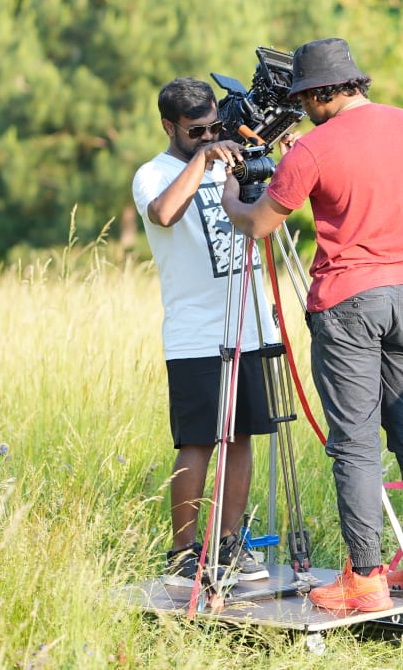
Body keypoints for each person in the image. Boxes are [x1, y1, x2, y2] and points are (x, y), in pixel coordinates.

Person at [222, 37, 403, 614]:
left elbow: (258, 225)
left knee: (354, 441)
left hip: (348, 300)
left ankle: (365, 576)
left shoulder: (313, 147)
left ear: (323, 93)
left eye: (305, 97)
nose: (303, 108)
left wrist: (232, 194)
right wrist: (394, 199)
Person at [132, 77, 275, 587]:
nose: (208, 136)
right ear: (169, 126)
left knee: (241, 438)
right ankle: (182, 552)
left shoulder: (227, 158)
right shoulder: (153, 173)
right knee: (197, 441)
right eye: (196, 131)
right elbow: (165, 213)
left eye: (214, 126)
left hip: (248, 322)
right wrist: (204, 158)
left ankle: (230, 544)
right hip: (195, 331)